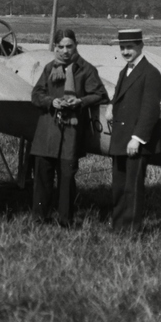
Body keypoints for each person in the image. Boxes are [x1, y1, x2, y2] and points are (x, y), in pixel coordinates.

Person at [29, 29, 107, 226]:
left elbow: (99, 94)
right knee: (42, 178)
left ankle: (66, 220)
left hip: (71, 134)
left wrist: (79, 101)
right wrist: (51, 102)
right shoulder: (49, 68)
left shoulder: (86, 69)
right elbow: (36, 94)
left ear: (76, 45)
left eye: (69, 46)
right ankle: (40, 218)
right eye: (60, 47)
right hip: (47, 131)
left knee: (66, 179)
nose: (65, 51)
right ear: (55, 48)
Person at [109, 27, 161, 232]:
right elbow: (120, 97)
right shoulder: (125, 71)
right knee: (119, 187)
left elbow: (150, 110)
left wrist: (137, 138)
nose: (125, 51)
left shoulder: (151, 73)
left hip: (134, 141)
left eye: (130, 47)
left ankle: (131, 231)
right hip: (120, 138)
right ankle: (117, 227)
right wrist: (111, 105)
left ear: (141, 46)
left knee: (132, 188)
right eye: (123, 47)